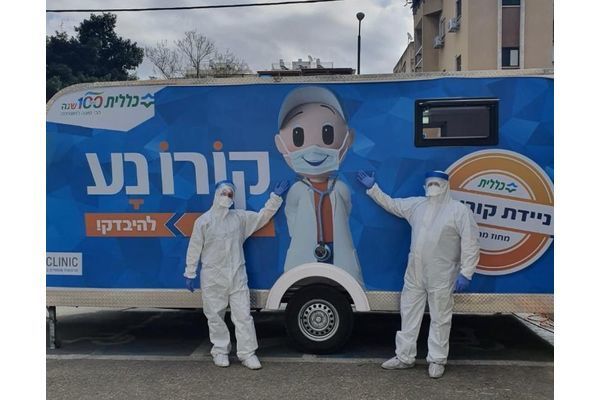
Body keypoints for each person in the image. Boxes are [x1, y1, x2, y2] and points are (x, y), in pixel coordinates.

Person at [356, 170, 480, 378]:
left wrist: (466, 272)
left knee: (440, 317)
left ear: (446, 186)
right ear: (424, 186)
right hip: (415, 272)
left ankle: (437, 360)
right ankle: (404, 357)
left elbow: (471, 242)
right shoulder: (417, 206)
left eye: (437, 183)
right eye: (430, 183)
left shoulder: (459, 211)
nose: (433, 187)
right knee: (409, 313)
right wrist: (373, 188)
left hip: (442, 275)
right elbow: (392, 204)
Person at [184, 179, 289, 370]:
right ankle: (220, 351)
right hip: (213, 277)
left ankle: (247, 353)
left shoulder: (239, 218)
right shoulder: (204, 221)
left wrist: (275, 198)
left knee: (243, 316)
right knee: (215, 316)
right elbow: (194, 247)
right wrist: (190, 271)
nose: (226, 197)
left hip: (236, 276)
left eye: (230, 194)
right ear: (216, 194)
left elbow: (262, 217)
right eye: (223, 193)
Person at [274, 86, 363, 285]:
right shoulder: (297, 190)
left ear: (348, 139)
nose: (314, 148)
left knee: (344, 282)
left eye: (327, 134)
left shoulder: (340, 188)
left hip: (338, 249)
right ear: (280, 143)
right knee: (304, 283)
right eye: (298, 136)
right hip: (305, 251)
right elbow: (291, 216)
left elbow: (346, 210)